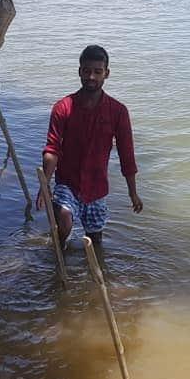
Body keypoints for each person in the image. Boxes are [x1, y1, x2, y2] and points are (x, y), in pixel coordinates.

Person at [37, 45, 143, 250]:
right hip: (67, 182)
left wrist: (133, 193)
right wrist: (44, 187)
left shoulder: (118, 111)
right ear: (79, 72)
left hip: (97, 188)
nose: (91, 77)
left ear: (106, 74)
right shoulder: (63, 107)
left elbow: (126, 154)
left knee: (95, 240)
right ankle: (57, 256)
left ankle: (95, 276)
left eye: (97, 71)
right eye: (86, 71)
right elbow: (52, 149)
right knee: (65, 219)